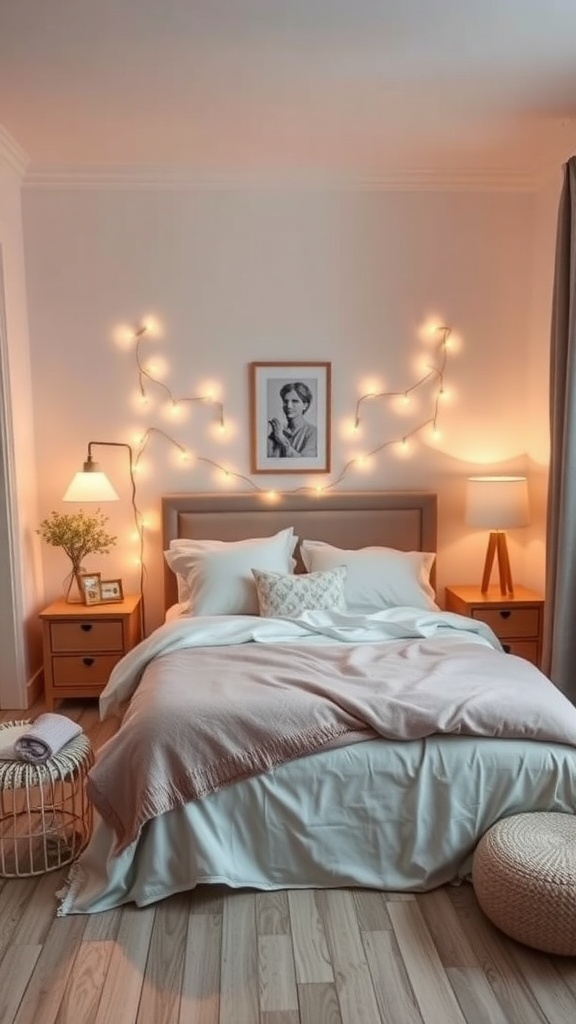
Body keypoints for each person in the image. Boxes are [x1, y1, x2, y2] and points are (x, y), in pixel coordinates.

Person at [267, 381, 318, 458]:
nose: (289, 406)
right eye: (285, 401)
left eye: (295, 401)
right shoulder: (277, 431)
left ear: (305, 405)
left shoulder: (312, 433)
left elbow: (304, 464)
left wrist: (282, 441)